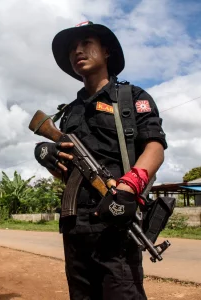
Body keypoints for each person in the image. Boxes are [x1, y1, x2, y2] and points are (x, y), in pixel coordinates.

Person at [34, 21, 167, 299]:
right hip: (75, 225)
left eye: (86, 43)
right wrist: (48, 154)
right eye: (72, 48)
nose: (77, 51)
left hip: (116, 221)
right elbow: (67, 170)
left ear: (106, 51)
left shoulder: (132, 98)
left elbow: (155, 147)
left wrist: (129, 187)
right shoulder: (69, 112)